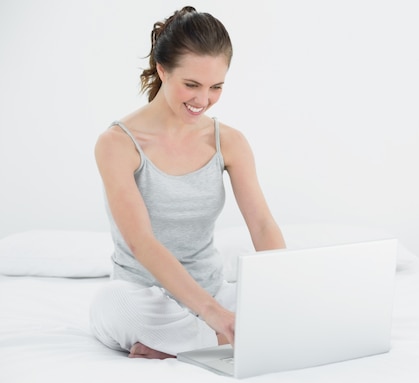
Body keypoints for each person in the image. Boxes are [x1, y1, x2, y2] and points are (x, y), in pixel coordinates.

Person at [90, 6, 285, 359]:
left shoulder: (230, 141)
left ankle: (187, 344)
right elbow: (141, 243)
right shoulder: (117, 144)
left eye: (216, 87)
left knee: (270, 301)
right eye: (191, 85)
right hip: (144, 294)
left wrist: (290, 289)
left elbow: (262, 224)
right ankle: (225, 337)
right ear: (162, 70)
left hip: (211, 290)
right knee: (112, 304)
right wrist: (215, 317)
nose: (202, 100)